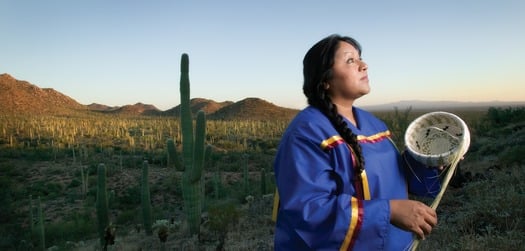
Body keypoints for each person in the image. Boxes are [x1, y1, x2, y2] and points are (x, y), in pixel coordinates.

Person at [273, 34, 442, 250]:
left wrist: (425, 158)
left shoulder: (374, 124)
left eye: (360, 58)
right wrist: (389, 211)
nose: (364, 65)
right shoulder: (306, 133)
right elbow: (308, 210)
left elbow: (392, 178)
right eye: (350, 60)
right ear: (325, 80)